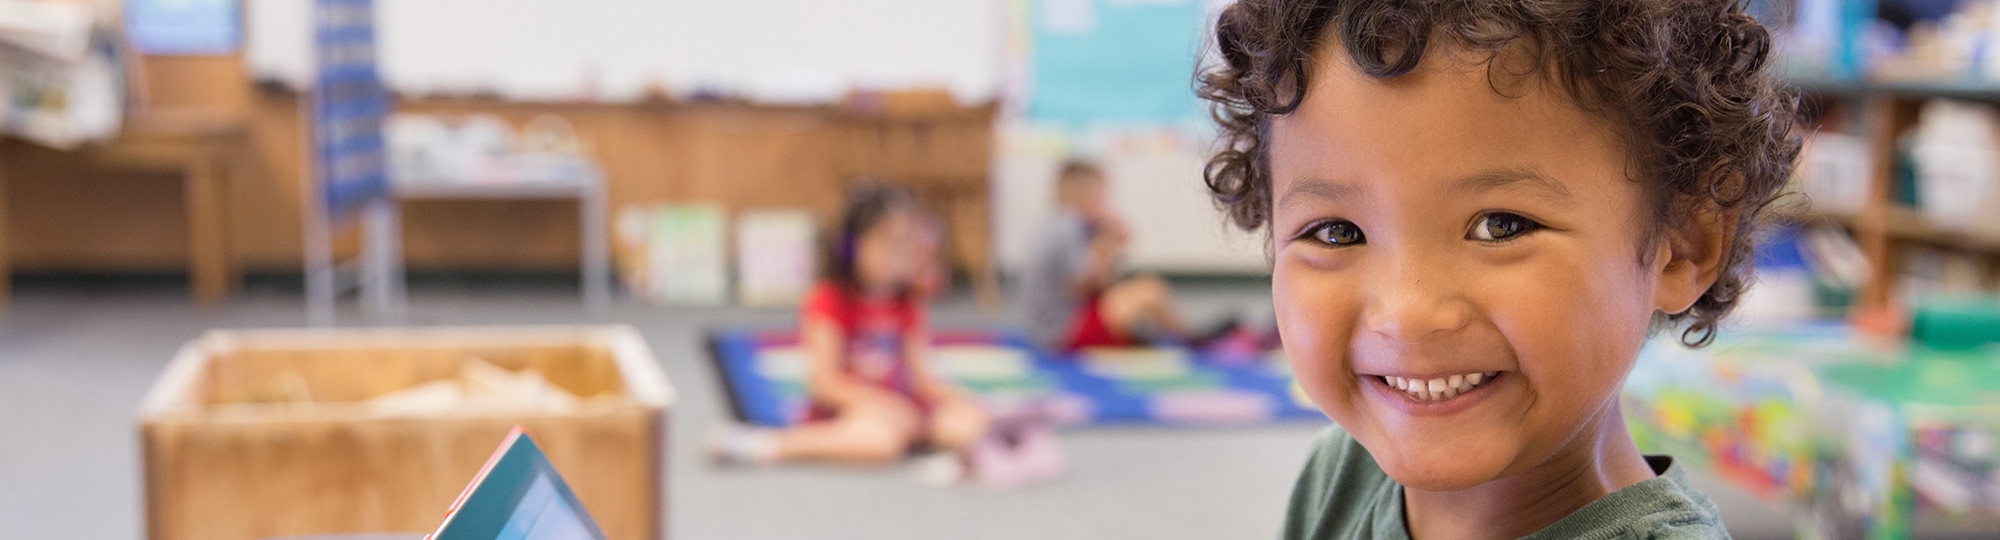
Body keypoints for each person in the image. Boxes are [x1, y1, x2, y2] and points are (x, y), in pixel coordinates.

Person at [1196, 1, 1798, 538]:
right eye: (1336, 233)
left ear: (1684, 244)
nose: (1406, 314)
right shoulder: (1340, 475)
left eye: (1501, 226)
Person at [715, 185, 989, 466]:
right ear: (851, 247)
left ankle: (914, 434)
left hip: (902, 407)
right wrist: (880, 404)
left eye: (906, 244)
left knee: (970, 425)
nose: (899, 255)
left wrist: (961, 398)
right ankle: (769, 445)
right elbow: (825, 383)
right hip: (847, 409)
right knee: (879, 443)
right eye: (888, 244)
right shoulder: (829, 301)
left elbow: (922, 376)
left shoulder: (907, 303)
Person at [1015, 161, 1197, 352]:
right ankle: (1192, 340)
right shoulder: (1068, 226)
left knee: (1137, 301)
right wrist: (1107, 245)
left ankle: (1168, 338)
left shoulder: (1056, 222)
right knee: (1150, 291)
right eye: (1101, 197)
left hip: (1053, 326)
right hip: (1062, 332)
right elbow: (1088, 285)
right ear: (1085, 196)